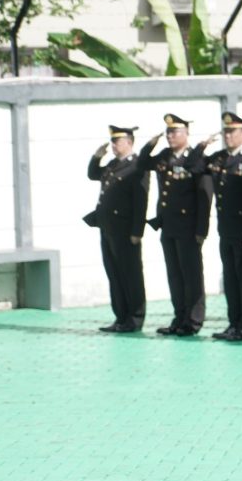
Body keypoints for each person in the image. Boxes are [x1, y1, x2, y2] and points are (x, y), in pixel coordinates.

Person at [137, 113, 212, 336]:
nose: (170, 136)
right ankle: (179, 317)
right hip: (168, 225)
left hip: (188, 226)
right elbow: (143, 163)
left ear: (186, 133)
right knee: (175, 275)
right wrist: (151, 143)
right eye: (168, 132)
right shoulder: (164, 156)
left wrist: (201, 230)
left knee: (192, 275)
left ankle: (193, 321)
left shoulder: (195, 159)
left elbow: (204, 196)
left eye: (175, 132)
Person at [85, 125, 149, 333]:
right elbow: (93, 174)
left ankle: (135, 318)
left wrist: (137, 232)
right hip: (107, 228)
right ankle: (120, 316)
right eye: (112, 141)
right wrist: (96, 156)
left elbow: (141, 201)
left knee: (131, 275)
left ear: (129, 142)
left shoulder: (138, 165)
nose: (113, 145)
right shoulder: (113, 164)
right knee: (115, 274)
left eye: (117, 141)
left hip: (125, 230)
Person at [204, 112, 242, 341]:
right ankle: (234, 322)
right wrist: (202, 145)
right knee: (231, 278)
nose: (228, 136)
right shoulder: (220, 159)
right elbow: (194, 164)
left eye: (232, 132)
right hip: (226, 229)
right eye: (225, 132)